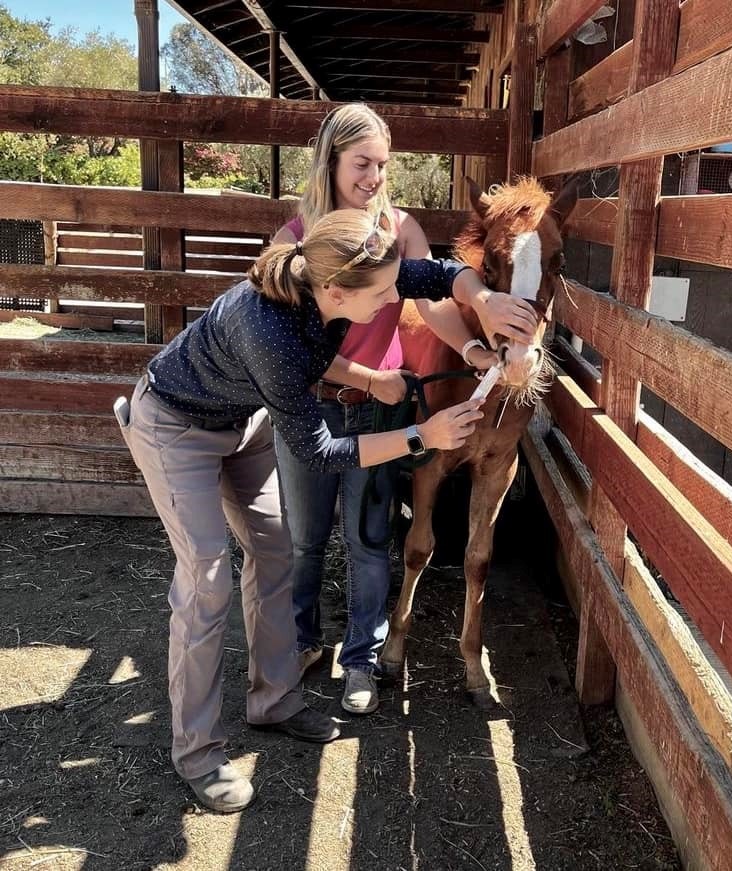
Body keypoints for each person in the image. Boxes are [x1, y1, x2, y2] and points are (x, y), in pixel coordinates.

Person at [117, 208, 535, 814]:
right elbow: (320, 451)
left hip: (241, 419)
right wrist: (424, 436)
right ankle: (198, 753)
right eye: (384, 295)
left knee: (275, 551)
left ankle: (273, 699)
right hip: (176, 425)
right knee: (208, 579)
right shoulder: (272, 332)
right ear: (337, 293)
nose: (395, 302)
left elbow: (436, 274)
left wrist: (487, 300)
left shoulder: (338, 281)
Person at [272, 104, 519, 717]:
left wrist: (470, 340)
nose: (374, 177)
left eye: (383, 165)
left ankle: (359, 659)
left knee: (369, 538)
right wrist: (369, 376)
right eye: (362, 163)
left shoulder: (398, 229)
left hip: (378, 413)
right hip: (311, 407)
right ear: (329, 162)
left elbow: (436, 292)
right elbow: (283, 345)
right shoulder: (294, 240)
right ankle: (301, 644)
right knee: (304, 539)